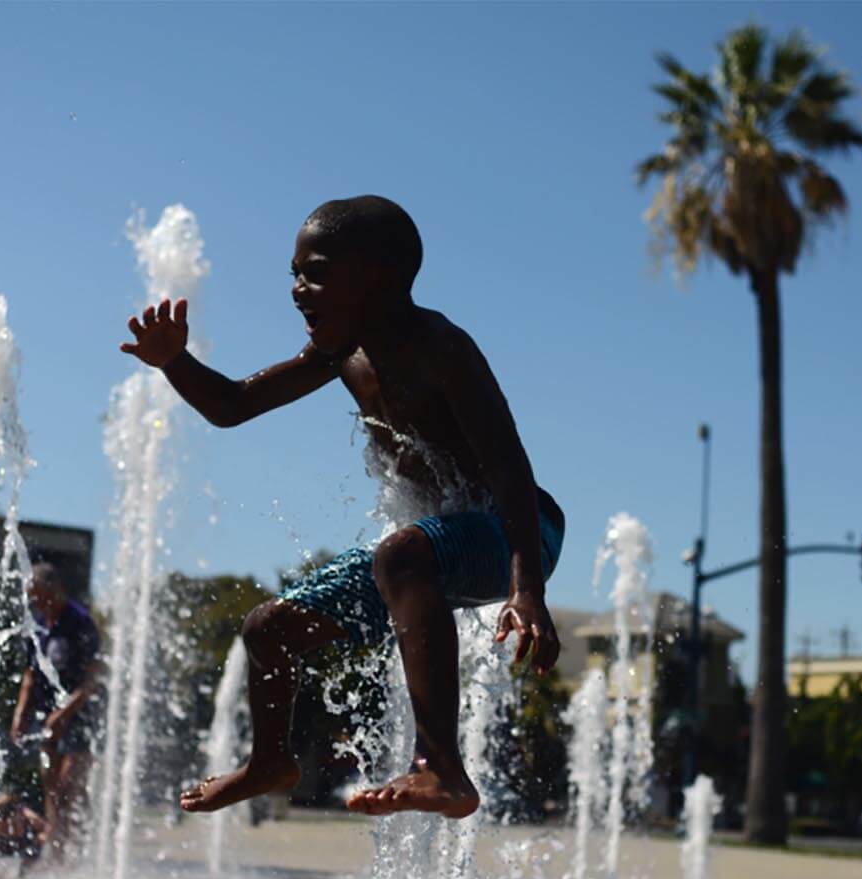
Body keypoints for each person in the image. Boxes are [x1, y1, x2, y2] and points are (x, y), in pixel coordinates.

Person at [119, 196, 563, 819]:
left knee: (404, 552)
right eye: (295, 275)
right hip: (422, 553)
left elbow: (512, 471)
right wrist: (174, 362)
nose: (299, 290)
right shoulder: (341, 357)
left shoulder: (441, 348)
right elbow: (232, 405)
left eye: (317, 274)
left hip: (519, 534)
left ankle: (442, 770)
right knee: (269, 627)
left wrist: (528, 590)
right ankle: (270, 761)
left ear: (381, 276)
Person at [9, 563, 103, 854]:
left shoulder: (80, 622)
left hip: (81, 713)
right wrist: (21, 714)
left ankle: (78, 845)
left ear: (55, 591)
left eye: (40, 597)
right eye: (33, 599)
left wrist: (65, 713)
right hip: (48, 712)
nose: (37, 604)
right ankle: (57, 850)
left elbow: (93, 678)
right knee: (50, 786)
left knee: (67, 786)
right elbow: (30, 675)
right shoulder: (38, 625)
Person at [0, 793, 48, 879]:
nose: (7, 821)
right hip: (2, 844)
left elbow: (45, 827)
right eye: (3, 818)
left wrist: (40, 837)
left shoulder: (25, 815)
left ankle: (23, 877)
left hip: (22, 843)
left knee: (35, 849)